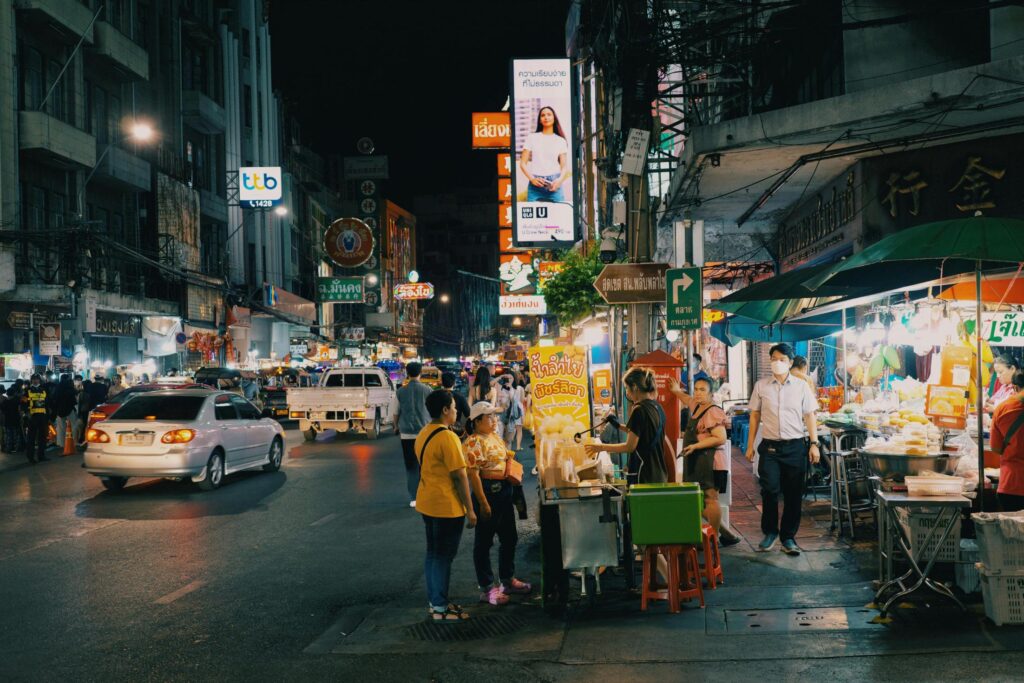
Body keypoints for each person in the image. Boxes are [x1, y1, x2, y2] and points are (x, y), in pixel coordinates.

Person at [744, 343, 820, 555]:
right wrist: (750, 445)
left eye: (782, 359)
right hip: (769, 448)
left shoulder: (801, 386)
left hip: (795, 446)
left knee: (794, 494)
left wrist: (814, 444)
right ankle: (770, 532)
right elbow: (755, 416)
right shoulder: (761, 386)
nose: (777, 362)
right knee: (769, 489)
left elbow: (809, 415)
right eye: (774, 358)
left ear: (790, 362)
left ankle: (788, 537)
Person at [415, 389, 477, 623]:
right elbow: (460, 477)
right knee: (443, 557)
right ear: (444, 410)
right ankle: (440, 608)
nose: (456, 411)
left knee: (433, 554)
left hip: (427, 502)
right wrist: (470, 510)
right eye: (453, 407)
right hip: (445, 506)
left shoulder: (424, 433)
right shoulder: (447, 437)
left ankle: (436, 602)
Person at [463, 401, 532, 606]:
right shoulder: (473, 442)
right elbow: (473, 475)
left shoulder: (493, 436)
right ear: (476, 421)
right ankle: (487, 588)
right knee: (484, 542)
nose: (495, 420)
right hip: (488, 493)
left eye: (495, 416)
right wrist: (483, 504)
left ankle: (507, 579)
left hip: (504, 492)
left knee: (509, 537)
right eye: (490, 417)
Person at [669, 376, 740, 546]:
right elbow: (687, 399)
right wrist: (676, 391)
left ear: (711, 394)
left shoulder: (712, 411)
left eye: (703, 390)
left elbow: (720, 437)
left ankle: (713, 539)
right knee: (698, 499)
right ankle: (727, 535)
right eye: (697, 389)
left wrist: (696, 446)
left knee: (710, 498)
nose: (698, 393)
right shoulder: (697, 406)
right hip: (698, 459)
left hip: (712, 462)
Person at [584, 367, 669, 485]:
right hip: (659, 472)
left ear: (635, 387)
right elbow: (639, 432)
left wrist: (601, 447)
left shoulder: (639, 410)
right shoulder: (657, 407)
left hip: (644, 474)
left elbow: (629, 447)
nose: (627, 393)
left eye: (627, 388)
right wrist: (617, 425)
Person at [395, 362, 433, 507]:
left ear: (407, 373)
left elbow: (395, 412)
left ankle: (414, 497)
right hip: (424, 434)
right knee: (426, 465)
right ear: (420, 373)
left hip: (406, 435)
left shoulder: (400, 391)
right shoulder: (428, 390)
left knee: (411, 466)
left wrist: (395, 426)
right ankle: (427, 494)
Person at [519, 106, 570, 203]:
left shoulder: (560, 141)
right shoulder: (532, 138)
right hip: (535, 184)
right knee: (532, 217)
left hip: (554, 183)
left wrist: (559, 181)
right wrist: (532, 179)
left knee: (560, 214)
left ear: (554, 118)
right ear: (539, 120)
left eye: (549, 115)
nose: (546, 117)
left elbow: (564, 167)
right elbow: (522, 163)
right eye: (543, 115)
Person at [990, 370, 1024, 512]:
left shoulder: (1003, 408)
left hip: (1011, 484)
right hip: (1011, 485)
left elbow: (996, 448)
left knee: (1012, 532)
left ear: (1015, 388)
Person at [24, 374, 50, 463]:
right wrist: (27, 414)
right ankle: (30, 457)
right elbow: (23, 403)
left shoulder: (43, 390)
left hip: (42, 416)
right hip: (32, 417)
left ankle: (41, 456)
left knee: (42, 437)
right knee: (31, 437)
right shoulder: (27, 391)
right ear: (31, 380)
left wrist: (48, 416)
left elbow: (47, 404)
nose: (35, 381)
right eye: (34, 379)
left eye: (37, 379)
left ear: (39, 380)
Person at [50, 374, 77, 452]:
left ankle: (61, 443)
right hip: (69, 409)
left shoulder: (58, 387)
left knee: (61, 427)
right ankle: (73, 442)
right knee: (73, 426)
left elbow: (54, 398)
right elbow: (73, 397)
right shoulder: (69, 387)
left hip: (60, 410)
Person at [441, 372, 471, 437]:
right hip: (455, 430)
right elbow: (468, 414)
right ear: (454, 383)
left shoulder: (436, 396)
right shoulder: (460, 397)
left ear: (442, 383)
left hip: (440, 428)